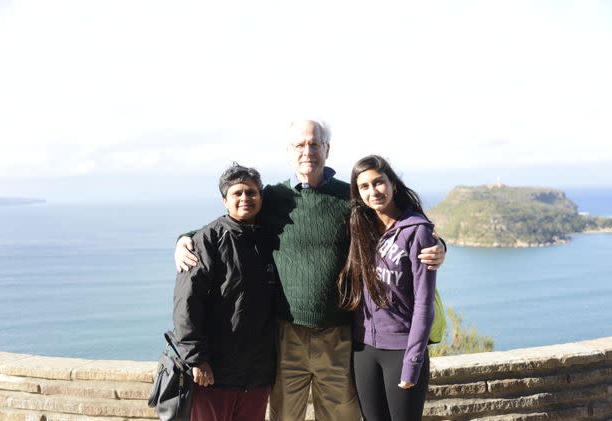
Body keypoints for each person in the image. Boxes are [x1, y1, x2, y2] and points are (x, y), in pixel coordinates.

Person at [174, 120, 446, 421]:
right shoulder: (275, 198)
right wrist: (185, 238)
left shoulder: (350, 196)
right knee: (285, 417)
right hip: (287, 335)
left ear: (327, 149)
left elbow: (393, 222)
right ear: (289, 153)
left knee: (341, 417)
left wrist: (438, 243)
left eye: (315, 144)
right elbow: (235, 216)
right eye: (299, 145)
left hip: (339, 335)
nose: (308, 151)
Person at [173, 163, 277, 421]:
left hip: (258, 373)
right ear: (224, 200)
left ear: (261, 197)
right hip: (215, 371)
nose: (245, 198)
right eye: (237, 193)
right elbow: (187, 302)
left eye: (251, 193)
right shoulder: (207, 240)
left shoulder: (269, 238)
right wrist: (196, 359)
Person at [338, 155, 436, 421]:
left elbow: (424, 304)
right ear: (358, 194)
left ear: (392, 182)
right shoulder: (360, 227)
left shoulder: (417, 231)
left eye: (378, 182)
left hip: (401, 350)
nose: (373, 192)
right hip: (364, 349)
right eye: (365, 187)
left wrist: (412, 362)